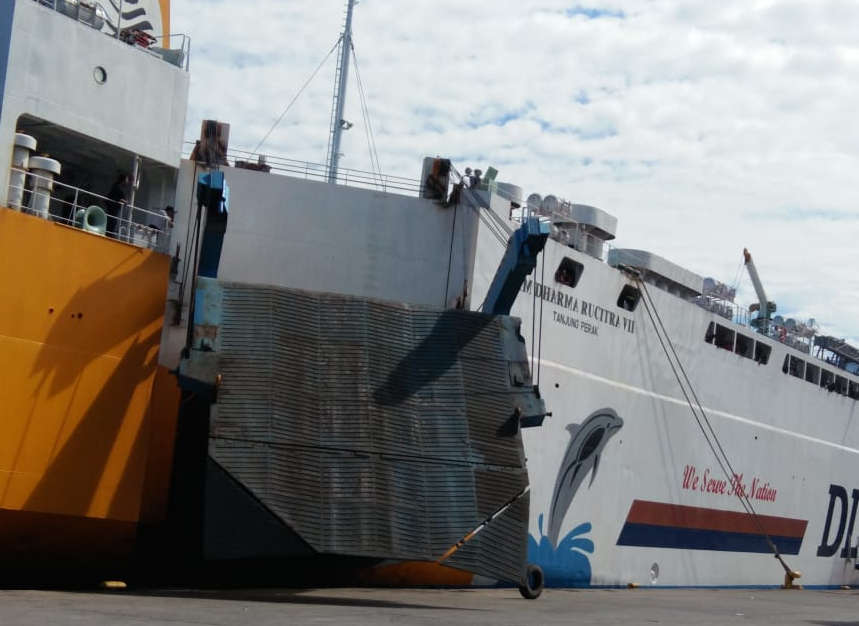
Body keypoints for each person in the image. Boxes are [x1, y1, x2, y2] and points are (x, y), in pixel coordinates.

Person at [106, 172, 131, 238]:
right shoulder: (116, 186)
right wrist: (121, 200)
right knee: (113, 221)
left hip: (116, 208)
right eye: (127, 180)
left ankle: (111, 234)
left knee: (114, 221)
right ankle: (110, 235)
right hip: (113, 207)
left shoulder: (119, 186)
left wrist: (124, 200)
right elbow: (113, 196)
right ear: (123, 180)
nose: (127, 181)